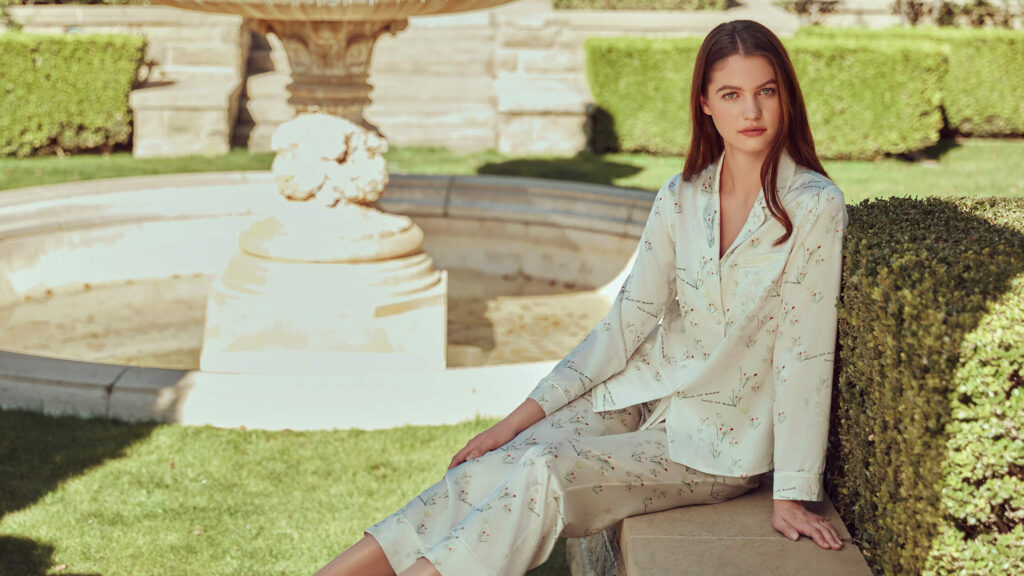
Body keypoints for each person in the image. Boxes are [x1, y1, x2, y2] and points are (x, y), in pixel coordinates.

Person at [315, 19, 848, 576]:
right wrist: (510, 424)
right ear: (706, 104)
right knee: (488, 466)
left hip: (718, 445)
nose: (752, 112)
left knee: (545, 471)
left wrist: (792, 491)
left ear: (785, 94)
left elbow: (805, 353)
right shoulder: (681, 196)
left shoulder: (814, 206)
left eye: (766, 91)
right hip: (638, 398)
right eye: (732, 95)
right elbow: (623, 326)